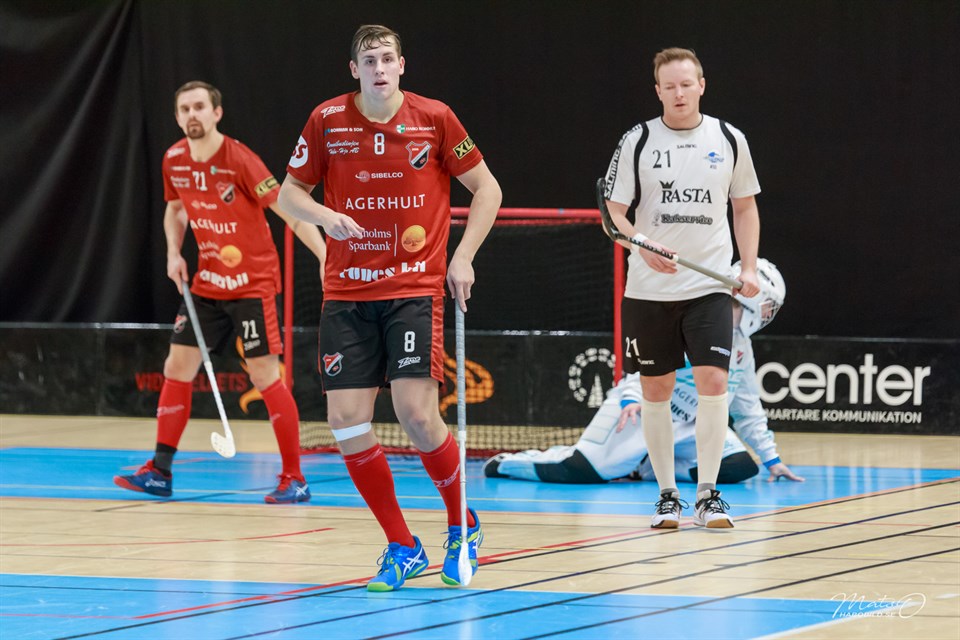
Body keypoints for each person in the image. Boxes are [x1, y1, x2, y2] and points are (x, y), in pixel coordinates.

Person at [277, 25, 502, 591]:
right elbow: (287, 195)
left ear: (402, 65)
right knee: (346, 422)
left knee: (417, 415)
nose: (378, 68)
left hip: (413, 289)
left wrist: (463, 257)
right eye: (368, 60)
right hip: (347, 292)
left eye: (387, 59)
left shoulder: (435, 118)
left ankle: (462, 524)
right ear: (353, 70)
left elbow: (488, 189)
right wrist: (326, 218)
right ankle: (403, 545)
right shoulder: (327, 120)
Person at [113, 81, 326, 504]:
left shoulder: (241, 160)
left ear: (216, 113)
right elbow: (176, 210)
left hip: (253, 283)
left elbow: (290, 211)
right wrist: (174, 253)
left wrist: (324, 255)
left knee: (264, 376)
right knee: (176, 366)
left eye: (199, 107)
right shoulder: (174, 160)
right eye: (184, 109)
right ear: (177, 117)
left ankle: (294, 478)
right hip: (207, 284)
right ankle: (159, 471)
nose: (192, 115)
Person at [602, 47, 764, 529]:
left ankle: (708, 496)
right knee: (656, 389)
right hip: (649, 290)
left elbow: (745, 208)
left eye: (686, 84)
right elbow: (613, 214)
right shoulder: (637, 140)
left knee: (714, 381)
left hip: (709, 286)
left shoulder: (729, 139)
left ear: (701, 86)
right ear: (658, 91)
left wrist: (748, 268)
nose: (678, 93)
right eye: (669, 86)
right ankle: (667, 496)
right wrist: (640, 242)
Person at [484, 259, 804, 495]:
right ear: (751, 299)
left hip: (690, 427)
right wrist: (632, 398)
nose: (768, 315)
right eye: (768, 307)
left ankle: (645, 466)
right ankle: (508, 463)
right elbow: (648, 363)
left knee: (739, 466)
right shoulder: (696, 321)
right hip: (642, 411)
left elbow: (747, 405)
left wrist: (771, 458)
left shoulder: (743, 347)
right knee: (580, 470)